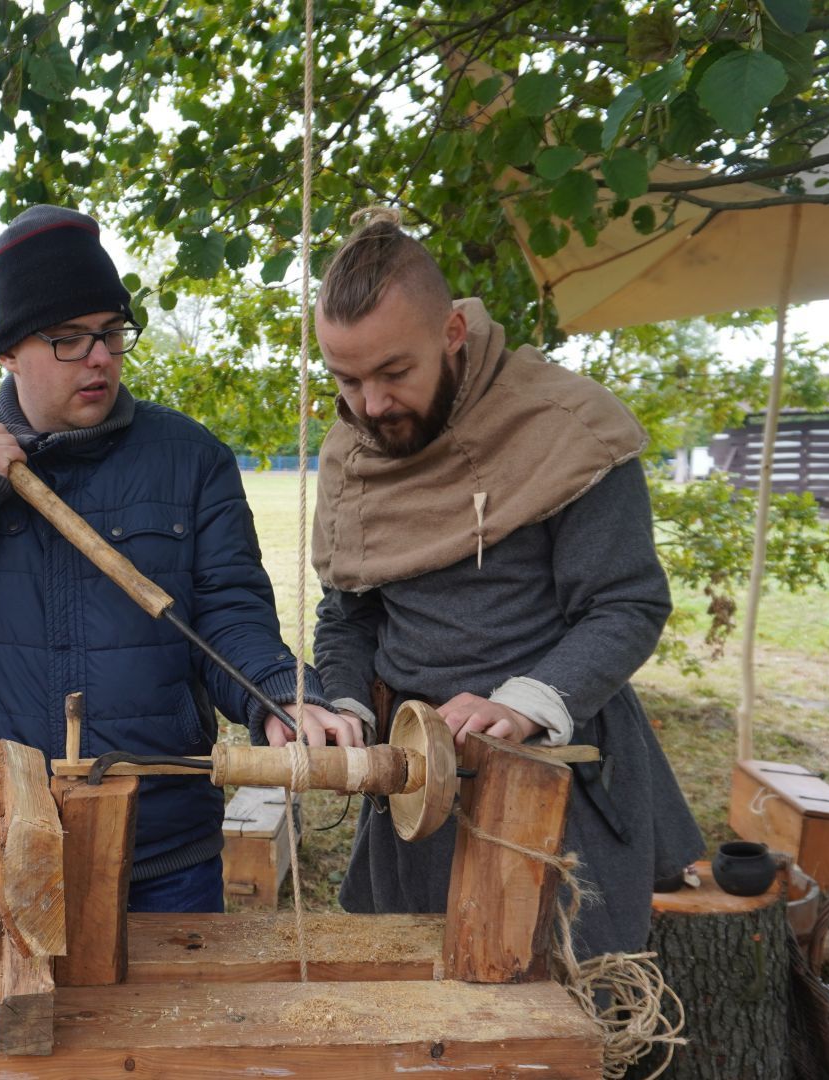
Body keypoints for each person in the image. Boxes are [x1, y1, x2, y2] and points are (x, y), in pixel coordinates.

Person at [0, 204, 357, 912]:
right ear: (7, 352)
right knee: (26, 1027)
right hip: (13, 850)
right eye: (68, 339)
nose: (99, 358)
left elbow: (231, 615)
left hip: (165, 856)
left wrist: (278, 691)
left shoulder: (190, 460)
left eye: (111, 334)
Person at [308, 208, 703, 955]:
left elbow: (626, 604)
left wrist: (522, 703)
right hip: (414, 780)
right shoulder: (350, 451)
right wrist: (348, 703)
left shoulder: (566, 427)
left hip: (555, 771)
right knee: (416, 999)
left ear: (452, 333)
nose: (373, 405)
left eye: (395, 372)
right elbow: (348, 616)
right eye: (347, 378)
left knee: (555, 1005)